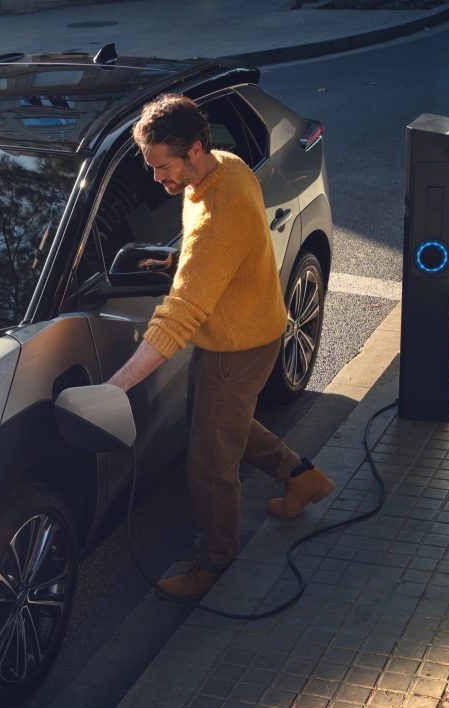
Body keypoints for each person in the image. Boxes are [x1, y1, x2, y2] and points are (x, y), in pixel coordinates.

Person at [100, 94, 336, 601]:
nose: (157, 179)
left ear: (196, 149)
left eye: (164, 167)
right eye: (152, 166)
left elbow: (179, 315)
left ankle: (214, 561)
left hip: (237, 346)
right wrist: (174, 264)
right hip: (248, 328)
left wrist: (115, 388)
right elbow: (219, 253)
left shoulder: (215, 215)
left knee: (209, 460)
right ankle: (302, 477)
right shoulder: (225, 166)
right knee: (223, 424)